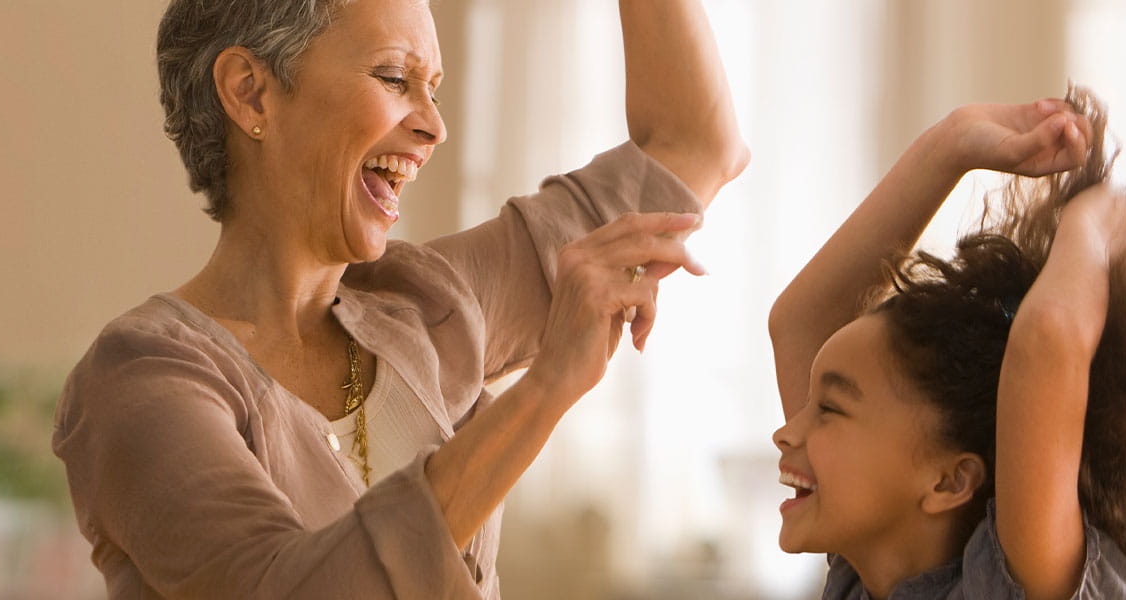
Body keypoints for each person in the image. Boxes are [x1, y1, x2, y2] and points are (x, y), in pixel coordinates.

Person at [51, 0, 747, 597]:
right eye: (394, 78)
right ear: (251, 92)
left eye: (434, 90)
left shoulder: (426, 307)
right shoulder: (142, 379)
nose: (434, 126)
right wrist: (545, 391)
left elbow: (693, 143)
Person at [767, 88, 1126, 599]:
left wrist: (1095, 216)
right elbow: (799, 323)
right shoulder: (870, 574)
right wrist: (953, 143)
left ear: (951, 479)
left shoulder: (1015, 584)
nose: (786, 431)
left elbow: (1046, 341)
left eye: (830, 408)